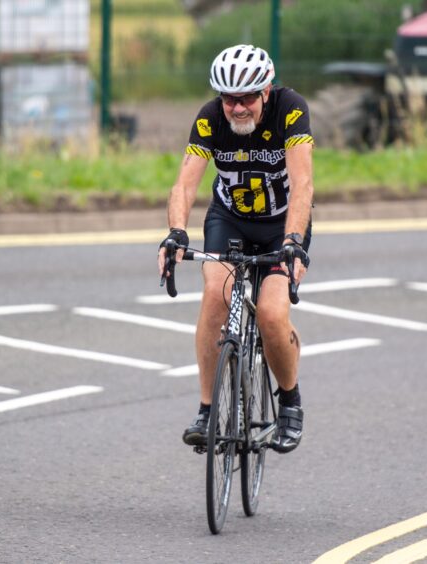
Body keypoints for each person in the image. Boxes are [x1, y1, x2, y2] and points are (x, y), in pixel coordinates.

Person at [157, 44, 314, 454]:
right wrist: (176, 232)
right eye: (229, 98)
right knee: (215, 295)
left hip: (282, 225)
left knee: (271, 314)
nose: (237, 108)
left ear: (266, 91)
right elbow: (186, 184)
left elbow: (303, 185)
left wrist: (294, 243)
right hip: (229, 218)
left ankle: (290, 401)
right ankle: (208, 410)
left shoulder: (291, 109)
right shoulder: (210, 119)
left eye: (246, 98)